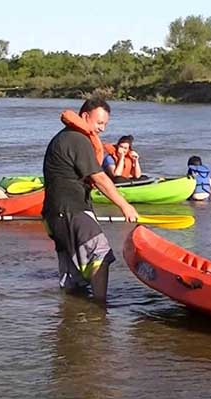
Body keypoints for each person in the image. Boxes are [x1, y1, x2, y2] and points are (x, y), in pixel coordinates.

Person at [43, 98, 139, 303]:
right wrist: (124, 206)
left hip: (54, 214)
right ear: (85, 117)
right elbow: (100, 177)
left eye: (105, 124)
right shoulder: (77, 139)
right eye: (99, 123)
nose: (102, 129)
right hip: (70, 209)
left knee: (73, 278)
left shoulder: (65, 137)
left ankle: (71, 322)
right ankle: (99, 310)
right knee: (101, 255)